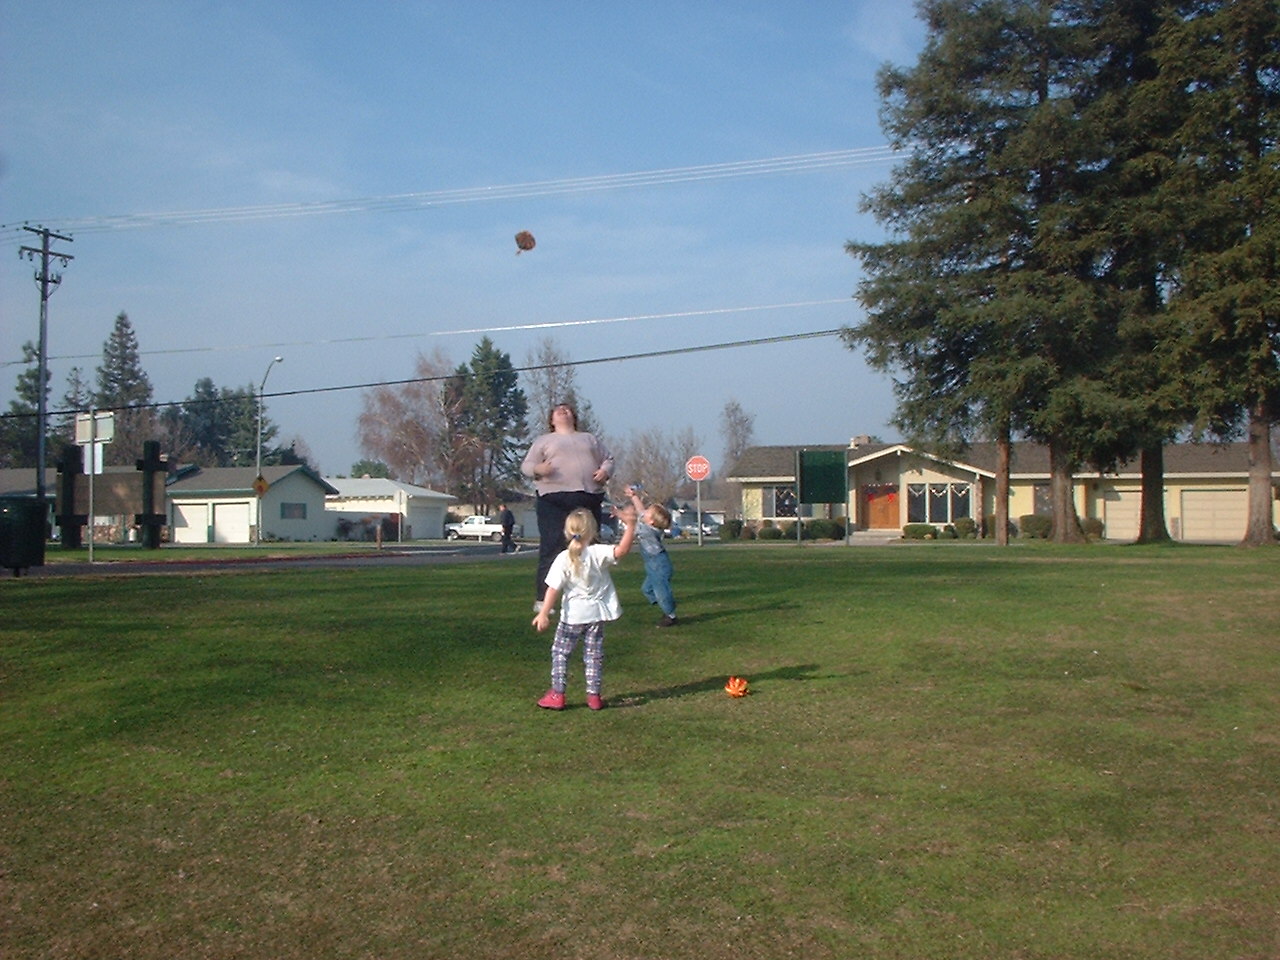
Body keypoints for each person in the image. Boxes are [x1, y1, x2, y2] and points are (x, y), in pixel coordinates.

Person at [533, 505, 636, 711]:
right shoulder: (598, 553)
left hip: (573, 616)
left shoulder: (563, 558)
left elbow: (553, 589)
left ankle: (558, 694)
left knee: (561, 653)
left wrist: (544, 613)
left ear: (567, 531)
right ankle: (594, 696)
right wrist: (631, 526)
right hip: (596, 615)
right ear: (593, 532)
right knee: (594, 655)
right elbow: (622, 550)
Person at [520, 403, 614, 611]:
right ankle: (544, 600)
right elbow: (526, 466)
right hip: (553, 499)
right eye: (557, 410)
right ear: (551, 420)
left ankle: (591, 594)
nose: (563, 410)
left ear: (574, 417)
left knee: (590, 549)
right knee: (552, 547)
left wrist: (605, 471)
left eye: (567, 409)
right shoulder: (543, 441)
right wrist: (538, 468)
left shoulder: (589, 438)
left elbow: (608, 459)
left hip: (588, 497)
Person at [625, 484, 678, 626]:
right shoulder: (647, 521)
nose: (645, 511)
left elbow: (631, 524)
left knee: (661, 592)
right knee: (646, 589)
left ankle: (670, 614)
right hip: (652, 564)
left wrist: (621, 514)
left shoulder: (647, 531)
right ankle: (666, 602)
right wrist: (633, 496)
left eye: (649, 511)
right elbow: (640, 510)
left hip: (659, 565)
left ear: (652, 522)